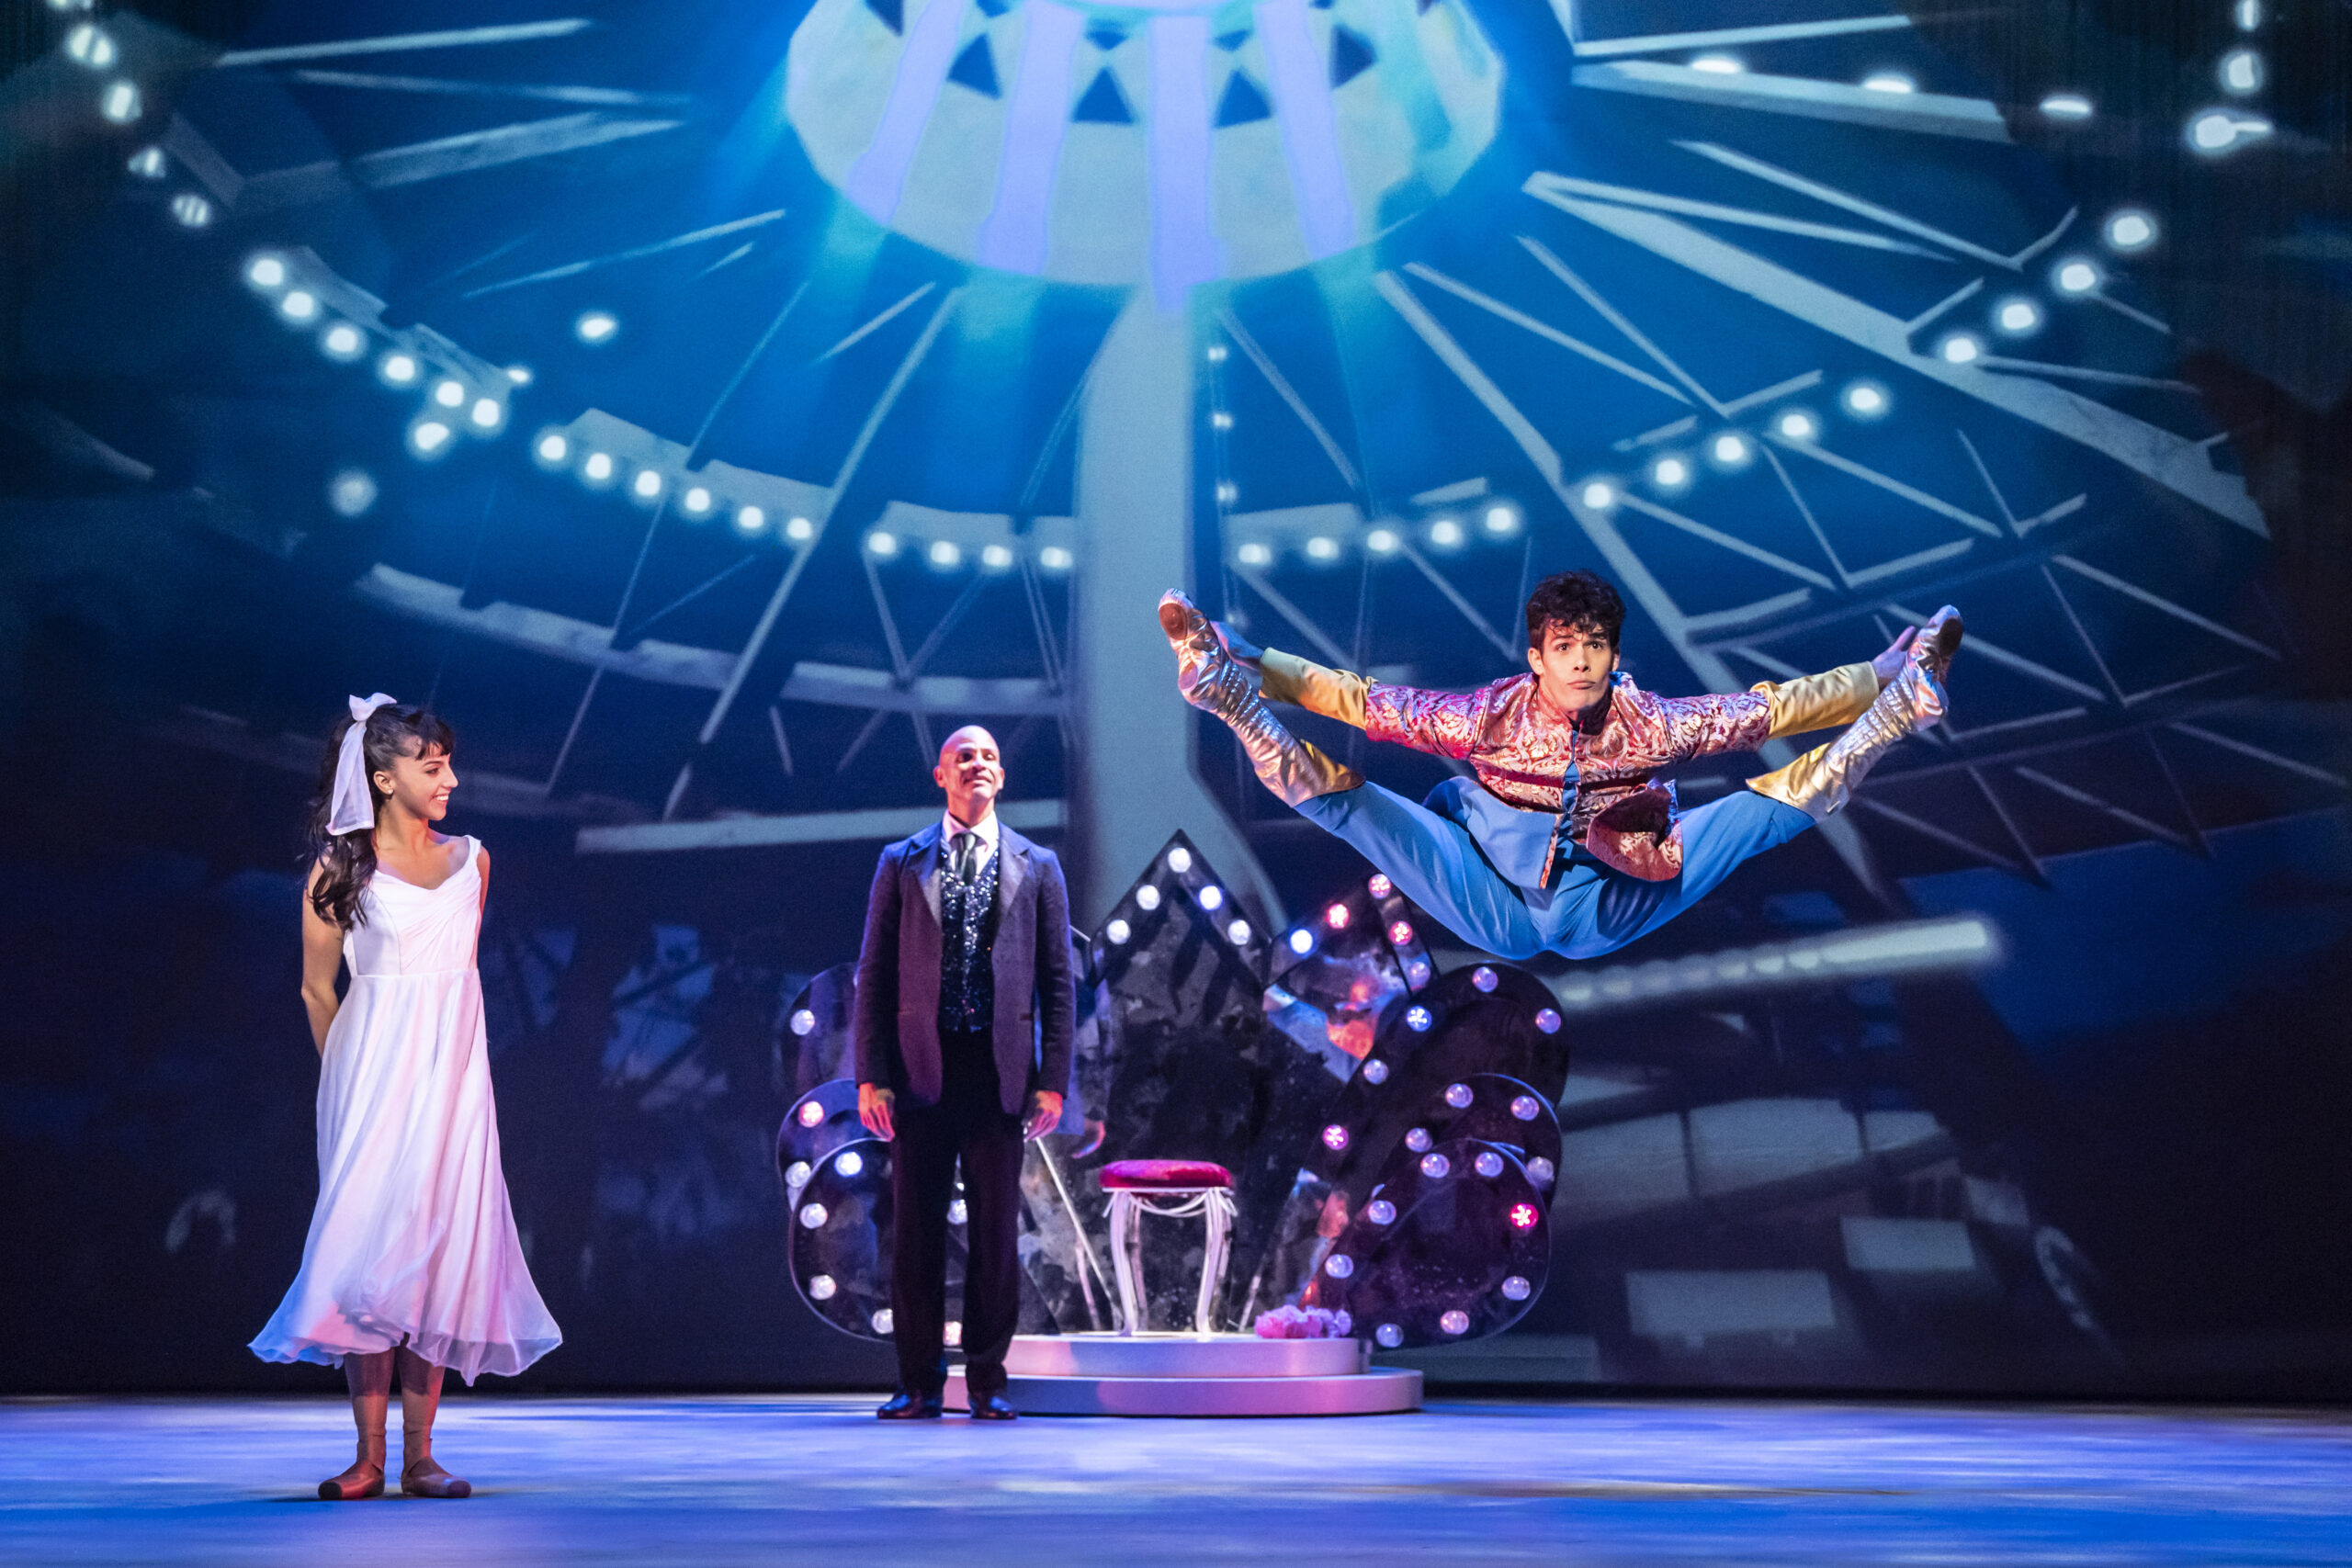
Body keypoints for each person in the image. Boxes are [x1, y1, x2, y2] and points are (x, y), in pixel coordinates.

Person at [1156, 571, 1962, 962]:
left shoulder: (1653, 724)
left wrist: (1876, 677)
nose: (1581, 661)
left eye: (1596, 647)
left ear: (1614, 655)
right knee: (1350, 805)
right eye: (1566, 647)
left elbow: (1770, 710)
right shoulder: (1484, 718)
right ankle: (1232, 700)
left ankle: (1898, 714)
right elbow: (1362, 701)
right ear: (1536, 657)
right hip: (1492, 895)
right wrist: (1257, 661)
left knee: (1757, 818)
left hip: (1603, 901)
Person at [251, 695, 560, 1499]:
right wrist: (347, 1077)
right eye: (433, 766)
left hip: (454, 1084)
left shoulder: (473, 861)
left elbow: (455, 982)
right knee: (368, 1252)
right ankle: (368, 1456)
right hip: (369, 1086)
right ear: (384, 778)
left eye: (448, 764)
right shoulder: (340, 871)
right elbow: (319, 988)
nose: (450, 779)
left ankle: (422, 1455)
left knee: (439, 1245)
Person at [854, 725, 1074, 1421]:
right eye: (964, 756)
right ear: (941, 775)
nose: (977, 764)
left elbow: (1058, 980)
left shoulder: (1038, 865)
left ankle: (987, 1380)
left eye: (988, 757)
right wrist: (871, 1075)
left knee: (995, 1236)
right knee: (915, 1235)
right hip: (919, 1071)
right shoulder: (901, 861)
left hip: (998, 1073)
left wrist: (1053, 1079)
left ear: (1001, 777)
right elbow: (874, 974)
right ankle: (918, 1381)